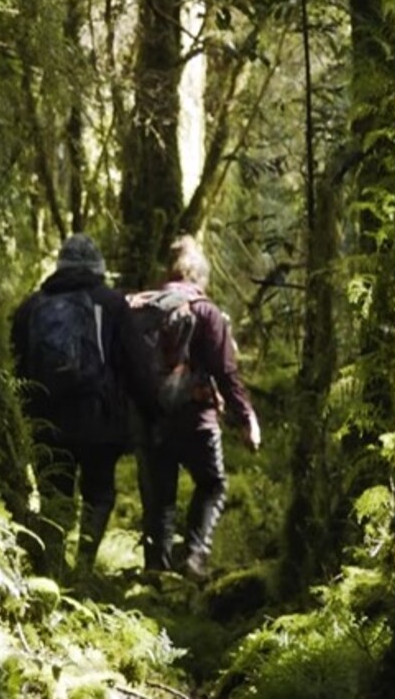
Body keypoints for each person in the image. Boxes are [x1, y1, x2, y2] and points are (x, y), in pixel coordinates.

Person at [11, 233, 159, 578]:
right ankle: (84, 568)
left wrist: (22, 418)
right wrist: (154, 413)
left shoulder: (30, 308)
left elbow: (16, 368)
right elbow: (135, 365)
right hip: (99, 420)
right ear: (98, 267)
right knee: (99, 492)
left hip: (46, 419)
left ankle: (52, 569)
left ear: (59, 264)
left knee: (54, 492)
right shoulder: (111, 303)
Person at [137, 234, 261, 581]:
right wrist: (246, 418)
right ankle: (194, 558)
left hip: (151, 419)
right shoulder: (206, 310)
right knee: (212, 485)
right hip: (195, 417)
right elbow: (226, 371)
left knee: (160, 499)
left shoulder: (143, 307)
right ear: (200, 276)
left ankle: (155, 572)